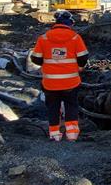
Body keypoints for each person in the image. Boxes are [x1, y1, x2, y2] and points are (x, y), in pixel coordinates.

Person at [30, 10, 89, 141]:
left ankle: (55, 135)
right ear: (69, 23)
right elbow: (83, 58)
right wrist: (78, 66)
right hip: (71, 82)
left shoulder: (44, 38)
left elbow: (35, 59)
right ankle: (72, 134)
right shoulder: (75, 37)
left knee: (53, 108)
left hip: (50, 83)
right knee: (71, 106)